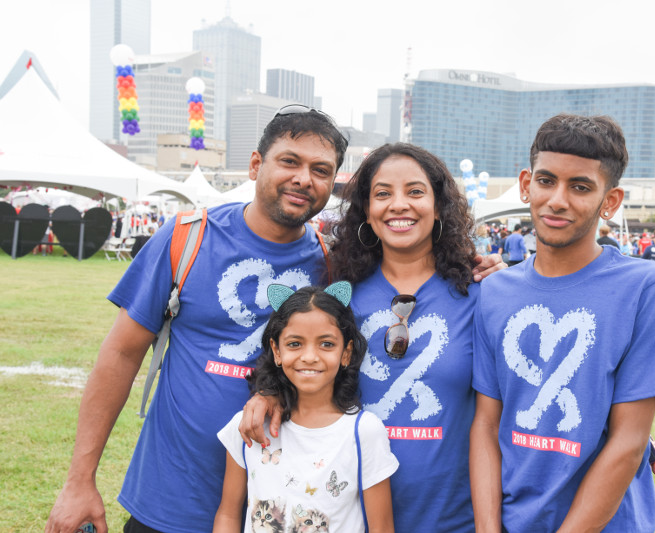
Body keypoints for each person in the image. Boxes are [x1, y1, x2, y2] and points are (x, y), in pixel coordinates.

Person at [46, 105, 350, 533]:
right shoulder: (187, 236)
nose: (305, 178)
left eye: (321, 169)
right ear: (255, 164)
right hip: (170, 501)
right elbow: (120, 354)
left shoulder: (332, 264)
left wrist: (474, 264)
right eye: (289, 161)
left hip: (282, 508)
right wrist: (79, 480)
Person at [242, 142, 487, 532]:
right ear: (367, 213)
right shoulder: (337, 294)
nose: (399, 204)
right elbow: (297, 356)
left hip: (452, 518)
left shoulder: (479, 294)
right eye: (383, 194)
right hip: (346, 515)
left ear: (439, 207)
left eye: (416, 191)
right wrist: (270, 391)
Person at [470, 114, 655, 532]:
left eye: (580, 187)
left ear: (611, 200)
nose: (558, 199)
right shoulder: (495, 291)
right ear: (527, 184)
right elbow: (486, 425)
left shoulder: (647, 288)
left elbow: (629, 441)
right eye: (547, 181)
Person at [214, 283, 398, 533]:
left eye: (326, 344)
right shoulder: (250, 426)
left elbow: (382, 528)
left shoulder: (363, 431)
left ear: (346, 353)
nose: (310, 356)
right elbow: (227, 515)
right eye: (295, 344)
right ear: (276, 351)